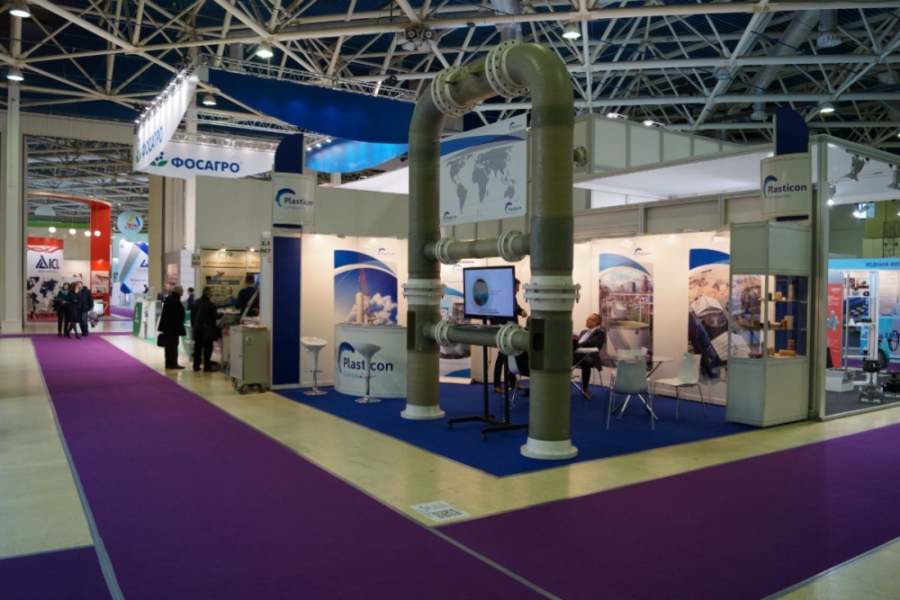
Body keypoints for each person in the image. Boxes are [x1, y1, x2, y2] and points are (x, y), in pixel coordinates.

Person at [491, 278, 527, 394]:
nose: (518, 290)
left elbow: (516, 309)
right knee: (501, 358)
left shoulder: (512, 298)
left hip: (512, 333)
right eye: (517, 287)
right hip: (505, 333)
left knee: (512, 357)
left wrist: (521, 311)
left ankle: (512, 382)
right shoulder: (503, 298)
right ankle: (497, 385)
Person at [573, 313, 606, 398]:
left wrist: (578, 345)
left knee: (586, 361)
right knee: (564, 358)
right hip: (577, 354)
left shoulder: (600, 333)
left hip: (591, 356)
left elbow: (590, 343)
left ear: (595, 322)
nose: (586, 320)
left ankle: (585, 388)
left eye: (589, 319)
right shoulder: (583, 332)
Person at [193, 287, 221, 372]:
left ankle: (196, 366)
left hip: (197, 328)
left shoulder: (196, 302)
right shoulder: (210, 304)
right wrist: (222, 314)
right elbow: (215, 316)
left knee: (198, 348)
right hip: (207, 329)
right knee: (208, 348)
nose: (212, 294)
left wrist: (194, 326)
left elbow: (193, 315)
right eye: (211, 292)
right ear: (208, 294)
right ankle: (207, 366)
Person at [158, 284, 186, 369]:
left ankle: (168, 363)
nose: (183, 291)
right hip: (173, 328)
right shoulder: (175, 300)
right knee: (173, 346)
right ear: (179, 291)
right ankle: (173, 363)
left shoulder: (169, 299)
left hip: (168, 328)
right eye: (182, 290)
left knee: (168, 346)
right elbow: (176, 315)